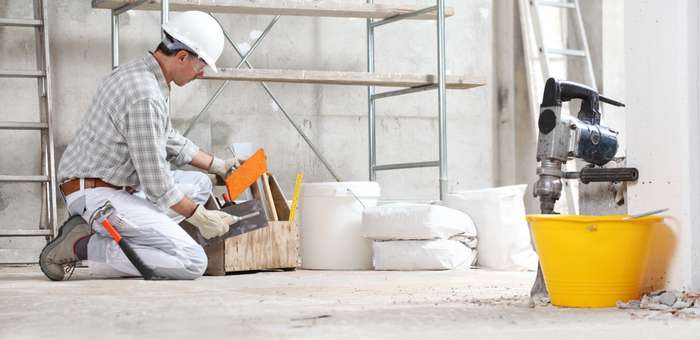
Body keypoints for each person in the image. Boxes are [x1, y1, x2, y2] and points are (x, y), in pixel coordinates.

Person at [39, 11, 237, 281]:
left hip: (115, 186)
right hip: (99, 198)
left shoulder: (141, 73)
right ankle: (81, 245)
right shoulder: (144, 96)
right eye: (200, 66)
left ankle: (148, 242)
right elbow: (158, 185)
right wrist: (200, 217)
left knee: (200, 185)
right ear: (182, 56)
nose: (201, 74)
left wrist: (219, 166)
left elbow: (167, 137)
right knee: (191, 262)